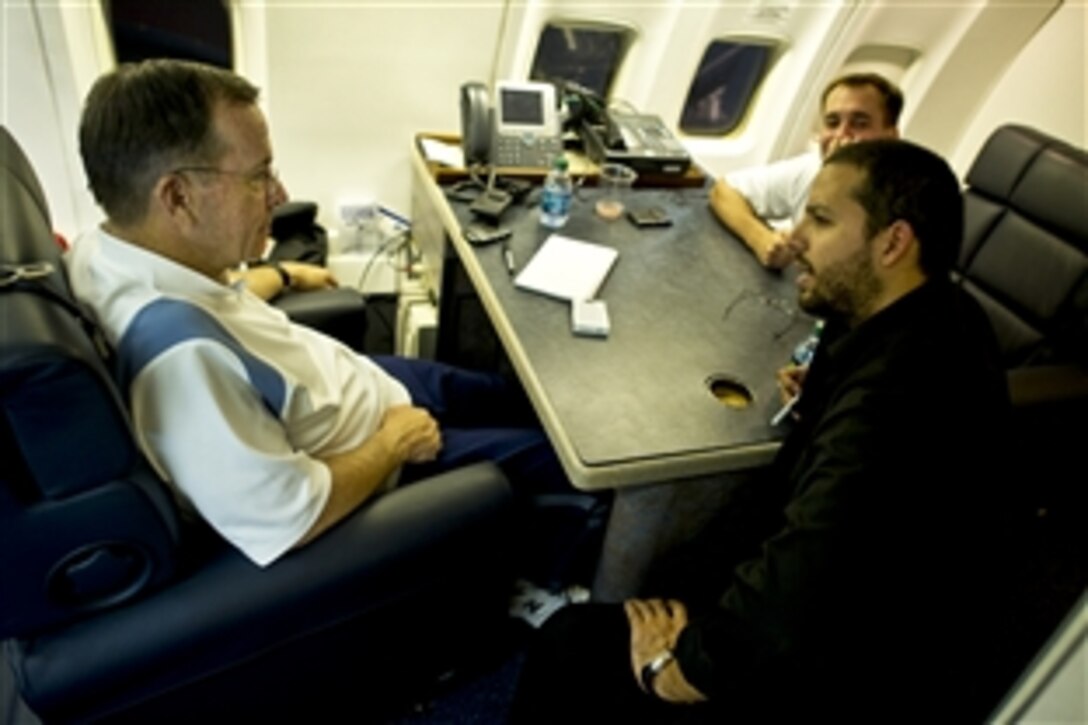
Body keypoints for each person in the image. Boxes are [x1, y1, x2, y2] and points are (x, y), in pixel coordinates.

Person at [510, 139, 1014, 722]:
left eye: (821, 220)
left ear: (893, 242)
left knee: (572, 642)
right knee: (672, 571)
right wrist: (823, 393)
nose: (796, 235)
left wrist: (682, 671)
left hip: (862, 655)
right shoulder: (929, 314)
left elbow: (816, 561)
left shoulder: (897, 394)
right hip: (855, 592)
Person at [65, 58, 578, 569]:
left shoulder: (107, 249)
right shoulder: (182, 365)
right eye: (259, 175)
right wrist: (392, 445)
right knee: (562, 466)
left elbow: (210, 305)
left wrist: (283, 275)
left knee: (509, 396)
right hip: (384, 452)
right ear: (177, 197)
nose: (280, 194)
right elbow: (291, 518)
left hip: (358, 384)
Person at [709, 72, 902, 269]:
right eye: (833, 123)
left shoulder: (908, 199)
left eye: (860, 124)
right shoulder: (811, 168)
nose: (842, 135)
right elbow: (725, 190)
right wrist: (761, 239)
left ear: (891, 136)